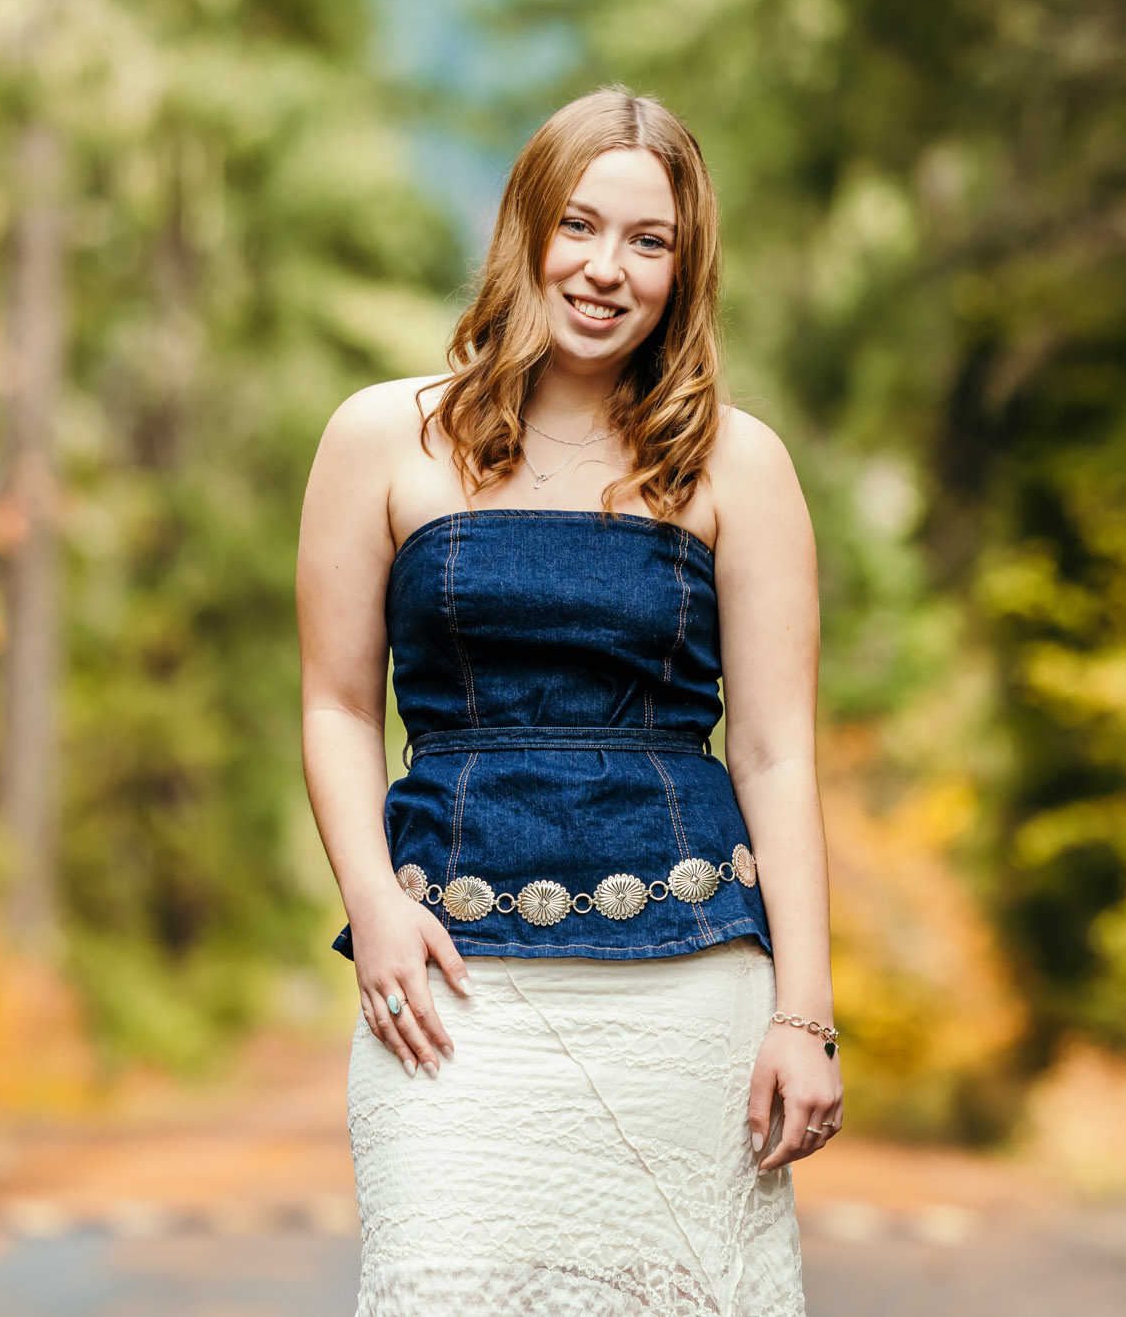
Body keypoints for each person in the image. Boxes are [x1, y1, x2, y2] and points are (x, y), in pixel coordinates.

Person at [297, 86, 840, 1315]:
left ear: (683, 271)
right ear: (526, 228)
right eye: (580, 227)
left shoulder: (736, 464)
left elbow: (772, 753)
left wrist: (803, 1019)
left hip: (690, 990)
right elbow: (336, 708)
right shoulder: (382, 438)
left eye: (647, 243)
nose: (606, 270)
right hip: (449, 994)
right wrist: (372, 906)